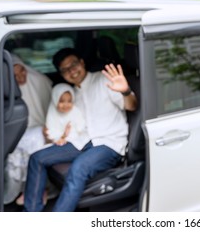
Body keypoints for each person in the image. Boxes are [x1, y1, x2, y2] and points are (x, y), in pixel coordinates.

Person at [23, 47, 137, 212]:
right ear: (62, 75)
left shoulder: (104, 81)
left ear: (82, 63)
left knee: (78, 168)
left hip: (109, 144)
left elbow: (132, 106)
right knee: (37, 158)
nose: (72, 71)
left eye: (73, 64)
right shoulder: (72, 94)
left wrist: (126, 91)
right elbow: (72, 123)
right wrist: (60, 135)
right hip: (82, 141)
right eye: (65, 69)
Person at [4, 54, 52, 205]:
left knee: (35, 141)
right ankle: (28, 189)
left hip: (44, 126)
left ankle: (37, 190)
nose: (20, 78)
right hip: (22, 128)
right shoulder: (6, 88)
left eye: (22, 72)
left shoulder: (39, 80)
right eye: (14, 75)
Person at [45, 83, 87, 148]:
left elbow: (81, 129)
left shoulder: (75, 112)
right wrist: (63, 136)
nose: (66, 105)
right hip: (58, 143)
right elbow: (51, 134)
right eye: (61, 101)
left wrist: (65, 136)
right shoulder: (52, 114)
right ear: (55, 100)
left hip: (76, 144)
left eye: (69, 101)